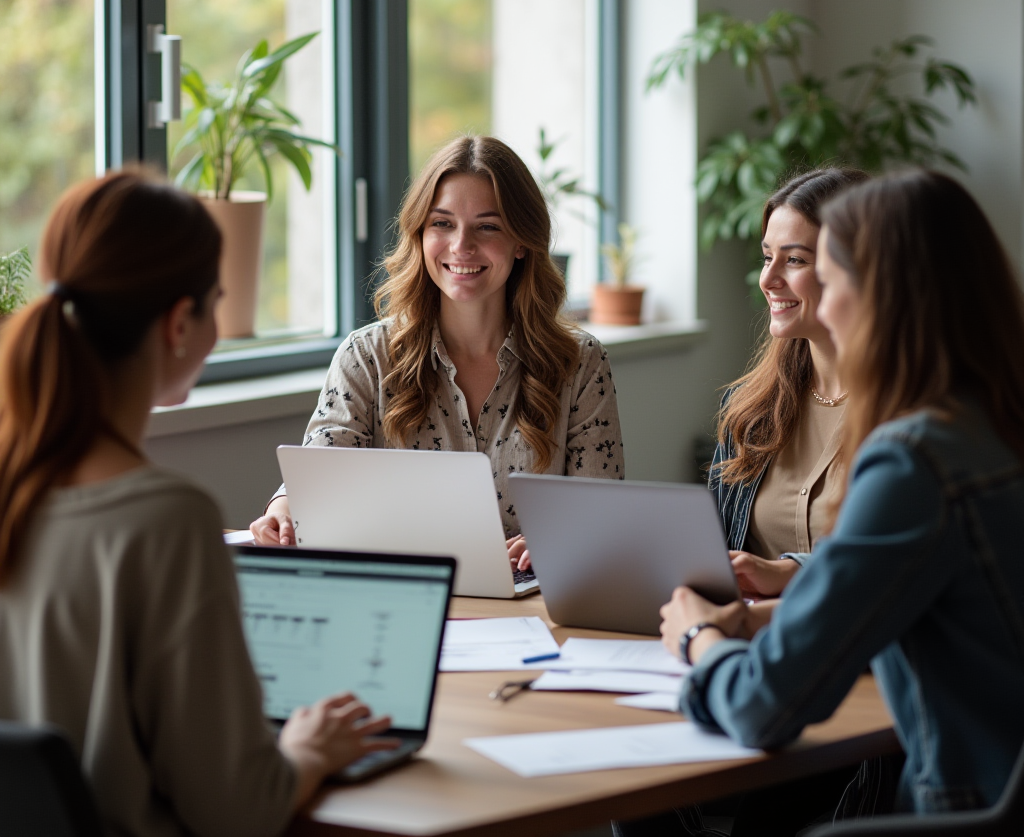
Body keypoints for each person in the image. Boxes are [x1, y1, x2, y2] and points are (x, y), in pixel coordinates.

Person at [0, 172, 397, 837]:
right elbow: (238, 811)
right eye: (217, 302)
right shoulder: (166, 520)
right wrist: (306, 750)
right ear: (180, 322)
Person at [663, 169, 1024, 816]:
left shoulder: (914, 461)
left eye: (829, 280)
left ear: (890, 295)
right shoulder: (990, 425)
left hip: (959, 810)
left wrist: (698, 640)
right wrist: (751, 618)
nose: (821, 306)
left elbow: (760, 706)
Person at [250, 135, 624, 573]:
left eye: (488, 226)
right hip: (404, 594)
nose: (461, 246)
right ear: (420, 233)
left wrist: (559, 540)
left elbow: (602, 518)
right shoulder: (366, 356)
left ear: (522, 241)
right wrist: (284, 505)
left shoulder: (580, 363)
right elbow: (319, 469)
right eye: (442, 223)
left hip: (534, 604)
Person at [711, 167, 868, 608]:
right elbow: (713, 554)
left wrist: (789, 574)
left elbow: (908, 567)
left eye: (794, 260)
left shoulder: (913, 415)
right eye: (767, 257)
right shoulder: (747, 411)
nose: (768, 279)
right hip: (749, 649)